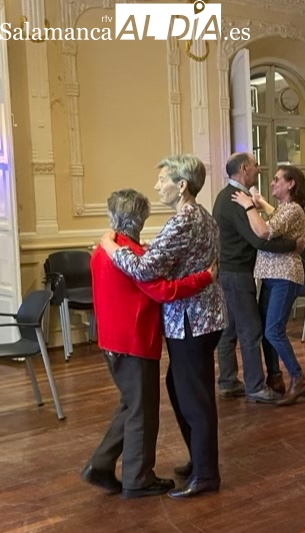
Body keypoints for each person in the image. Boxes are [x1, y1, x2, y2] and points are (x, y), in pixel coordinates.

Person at [100, 154, 226, 499]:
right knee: (181, 389)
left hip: (191, 321)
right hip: (199, 318)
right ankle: (200, 461)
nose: (157, 186)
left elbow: (145, 270)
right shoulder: (200, 216)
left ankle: (206, 474)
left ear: (181, 185)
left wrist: (110, 247)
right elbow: (161, 257)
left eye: (162, 180)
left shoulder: (183, 220)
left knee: (194, 398)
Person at [214, 152, 300, 403]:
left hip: (230, 272)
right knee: (251, 331)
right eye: (254, 166)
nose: (258, 169)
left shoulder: (227, 197)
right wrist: (293, 246)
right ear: (243, 169)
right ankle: (255, 387)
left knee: (229, 331)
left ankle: (228, 382)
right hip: (238, 274)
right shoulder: (235, 200)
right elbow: (258, 239)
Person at [232, 165, 305, 406]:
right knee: (266, 331)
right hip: (271, 276)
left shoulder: (294, 209)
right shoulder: (285, 208)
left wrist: (248, 205)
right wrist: (262, 203)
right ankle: (276, 379)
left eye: (277, 180)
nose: (272, 182)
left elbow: (265, 230)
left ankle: (299, 378)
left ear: (291, 184)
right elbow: (276, 214)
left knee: (273, 331)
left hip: (284, 277)